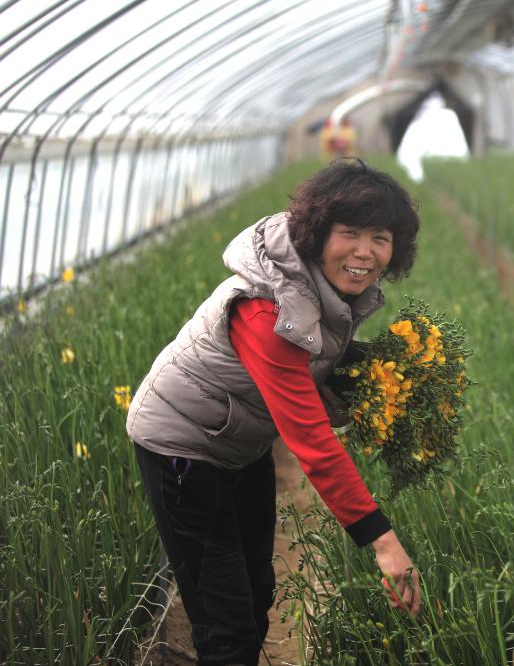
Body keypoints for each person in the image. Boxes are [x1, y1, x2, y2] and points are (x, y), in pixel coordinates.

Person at [127, 158, 422, 665]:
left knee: (258, 593)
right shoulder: (267, 310)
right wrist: (382, 540)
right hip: (183, 450)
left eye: (381, 237)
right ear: (316, 233)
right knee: (227, 626)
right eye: (349, 232)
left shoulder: (319, 286)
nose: (364, 252)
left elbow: (314, 361)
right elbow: (310, 439)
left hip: (239, 441)